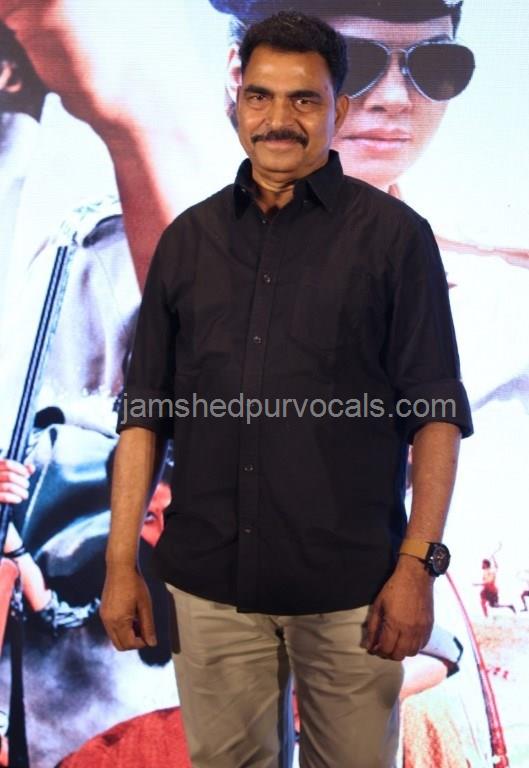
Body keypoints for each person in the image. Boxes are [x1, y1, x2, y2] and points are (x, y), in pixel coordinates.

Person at [101, 11, 472, 768]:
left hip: (352, 593)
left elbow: (435, 413)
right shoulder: (187, 242)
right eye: (261, 96)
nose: (279, 118)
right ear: (236, 99)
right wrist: (118, 563)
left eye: (304, 98)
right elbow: (143, 415)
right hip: (210, 590)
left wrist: (416, 566)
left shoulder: (396, 241)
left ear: (336, 109)